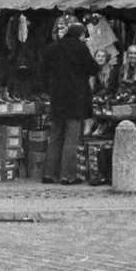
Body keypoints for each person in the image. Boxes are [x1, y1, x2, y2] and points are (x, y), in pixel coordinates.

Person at [42, 21, 99, 185]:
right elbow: (94, 68)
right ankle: (68, 175)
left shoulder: (53, 47)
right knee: (71, 138)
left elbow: (43, 71)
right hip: (75, 99)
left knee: (55, 136)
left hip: (57, 98)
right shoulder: (81, 48)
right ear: (81, 35)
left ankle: (49, 174)